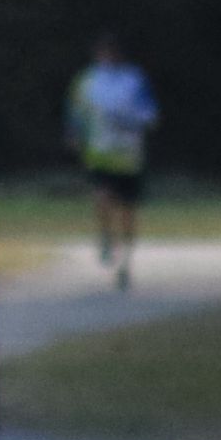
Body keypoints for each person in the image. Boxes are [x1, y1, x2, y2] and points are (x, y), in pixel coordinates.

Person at [65, 35, 157, 281]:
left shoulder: (134, 79)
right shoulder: (87, 80)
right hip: (100, 151)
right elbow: (75, 109)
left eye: (111, 53)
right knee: (102, 196)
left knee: (128, 209)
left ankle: (126, 262)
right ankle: (106, 235)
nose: (107, 58)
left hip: (129, 155)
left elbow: (150, 113)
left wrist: (132, 120)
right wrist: (74, 133)